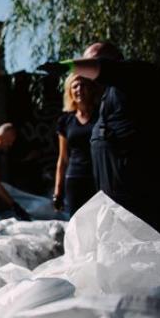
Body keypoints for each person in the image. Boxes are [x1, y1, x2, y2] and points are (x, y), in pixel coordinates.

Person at [67, 42, 160, 237]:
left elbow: (108, 71)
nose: (85, 69)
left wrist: (67, 65)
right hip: (118, 211)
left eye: (91, 61)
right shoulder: (104, 100)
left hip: (149, 207)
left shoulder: (139, 76)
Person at [53, 73, 99, 216]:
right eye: (75, 86)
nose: (79, 89)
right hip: (74, 179)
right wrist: (57, 193)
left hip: (98, 178)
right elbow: (63, 158)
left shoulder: (101, 115)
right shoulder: (65, 121)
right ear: (70, 92)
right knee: (76, 225)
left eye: (83, 84)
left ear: (90, 88)